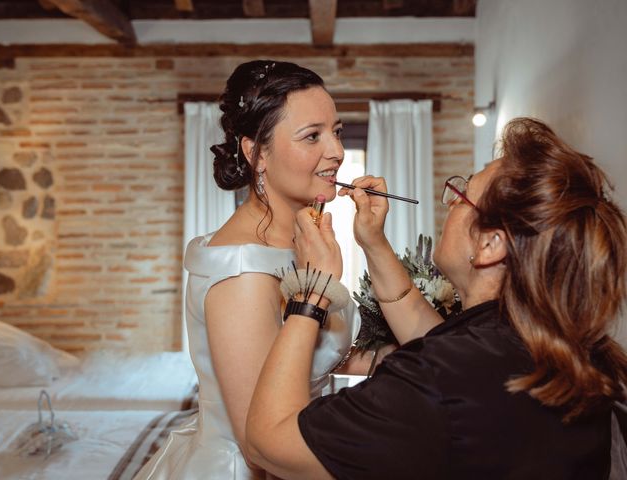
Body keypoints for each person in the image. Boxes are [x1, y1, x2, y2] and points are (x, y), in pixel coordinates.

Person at [246, 117, 627, 479]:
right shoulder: (555, 341)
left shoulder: (442, 377)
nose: (449, 202)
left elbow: (268, 443)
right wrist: (373, 243)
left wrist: (314, 288)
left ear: (491, 243)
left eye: (462, 194)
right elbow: (435, 338)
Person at [134, 60, 360, 479]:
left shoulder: (298, 240)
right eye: (313, 135)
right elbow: (263, 450)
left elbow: (308, 352)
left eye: (337, 131)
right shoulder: (243, 273)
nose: (338, 151)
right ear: (256, 153)